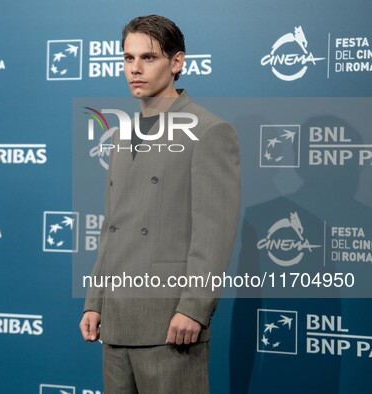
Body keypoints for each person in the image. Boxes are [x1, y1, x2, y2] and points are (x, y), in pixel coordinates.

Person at [79, 15, 241, 394]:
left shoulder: (208, 130)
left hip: (170, 321)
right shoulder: (120, 135)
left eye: (148, 58)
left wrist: (194, 308)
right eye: (127, 58)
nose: (135, 69)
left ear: (177, 62)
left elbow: (213, 232)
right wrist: (95, 300)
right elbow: (112, 228)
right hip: (117, 322)